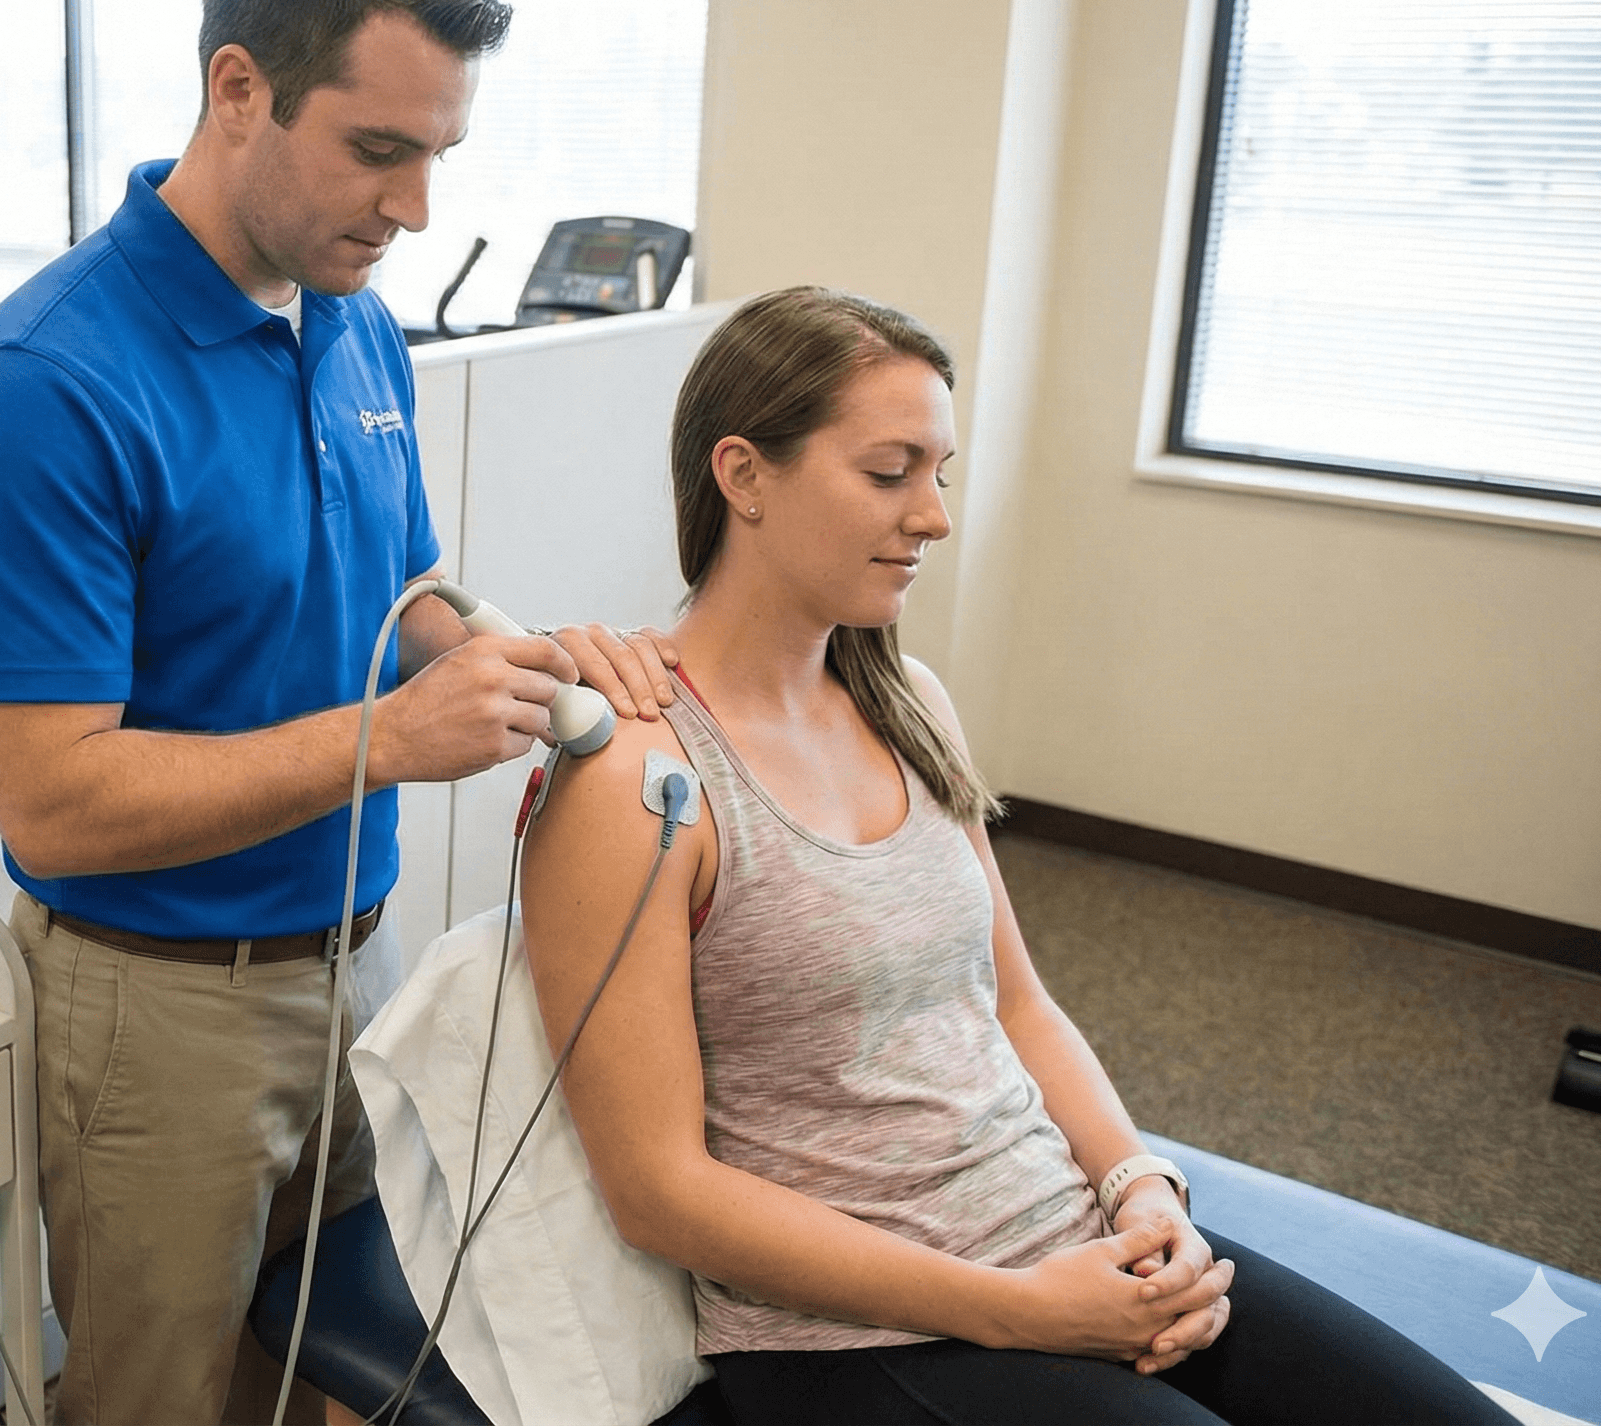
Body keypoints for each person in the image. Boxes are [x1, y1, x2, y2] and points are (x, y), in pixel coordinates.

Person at [0, 0, 673, 1420]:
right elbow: (51, 806)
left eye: (436, 158)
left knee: (326, 1377)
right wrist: (392, 742)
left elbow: (393, 593)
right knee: (161, 1398)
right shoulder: (43, 387)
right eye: (375, 151)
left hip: (357, 960)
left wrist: (497, 657)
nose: (410, 209)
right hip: (158, 1013)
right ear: (237, 90)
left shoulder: (352, 321)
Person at [518, 287, 1515, 1426]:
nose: (933, 517)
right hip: (861, 1337)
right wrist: (1018, 1310)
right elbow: (659, 1193)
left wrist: (1142, 1190)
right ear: (742, 476)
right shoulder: (633, 779)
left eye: (939, 472)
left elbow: (1019, 1005)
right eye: (889, 473)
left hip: (1064, 1236)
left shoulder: (908, 703)